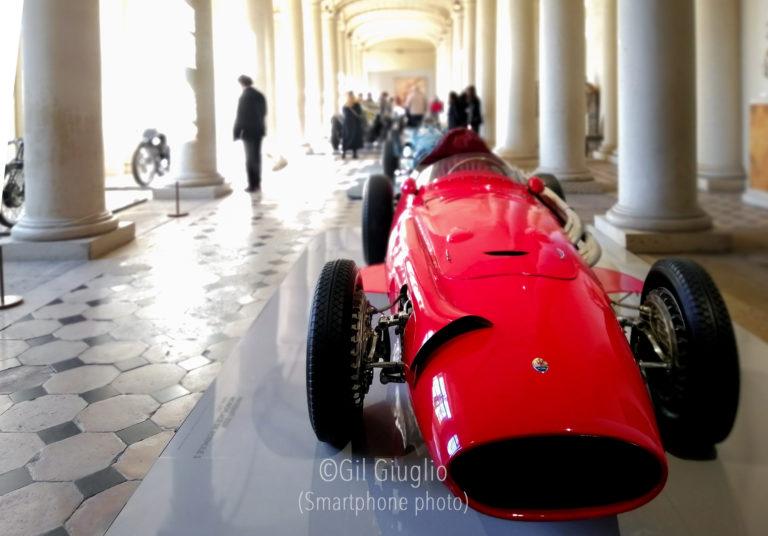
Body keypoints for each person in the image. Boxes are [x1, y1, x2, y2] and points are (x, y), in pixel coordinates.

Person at [233, 75, 267, 192]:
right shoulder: (259, 95)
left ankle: (252, 185)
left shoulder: (244, 97)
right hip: (259, 130)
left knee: (250, 159)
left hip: (248, 132)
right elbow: (264, 112)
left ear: (241, 84)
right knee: (257, 157)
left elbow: (240, 116)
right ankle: (257, 183)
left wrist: (236, 132)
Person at [341, 92, 364, 159]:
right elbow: (345, 114)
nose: (350, 97)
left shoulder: (356, 104)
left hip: (354, 124)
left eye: (351, 96)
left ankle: (354, 153)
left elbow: (359, 113)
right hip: (348, 124)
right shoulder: (346, 105)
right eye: (349, 96)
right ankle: (344, 153)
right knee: (346, 138)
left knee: (354, 138)